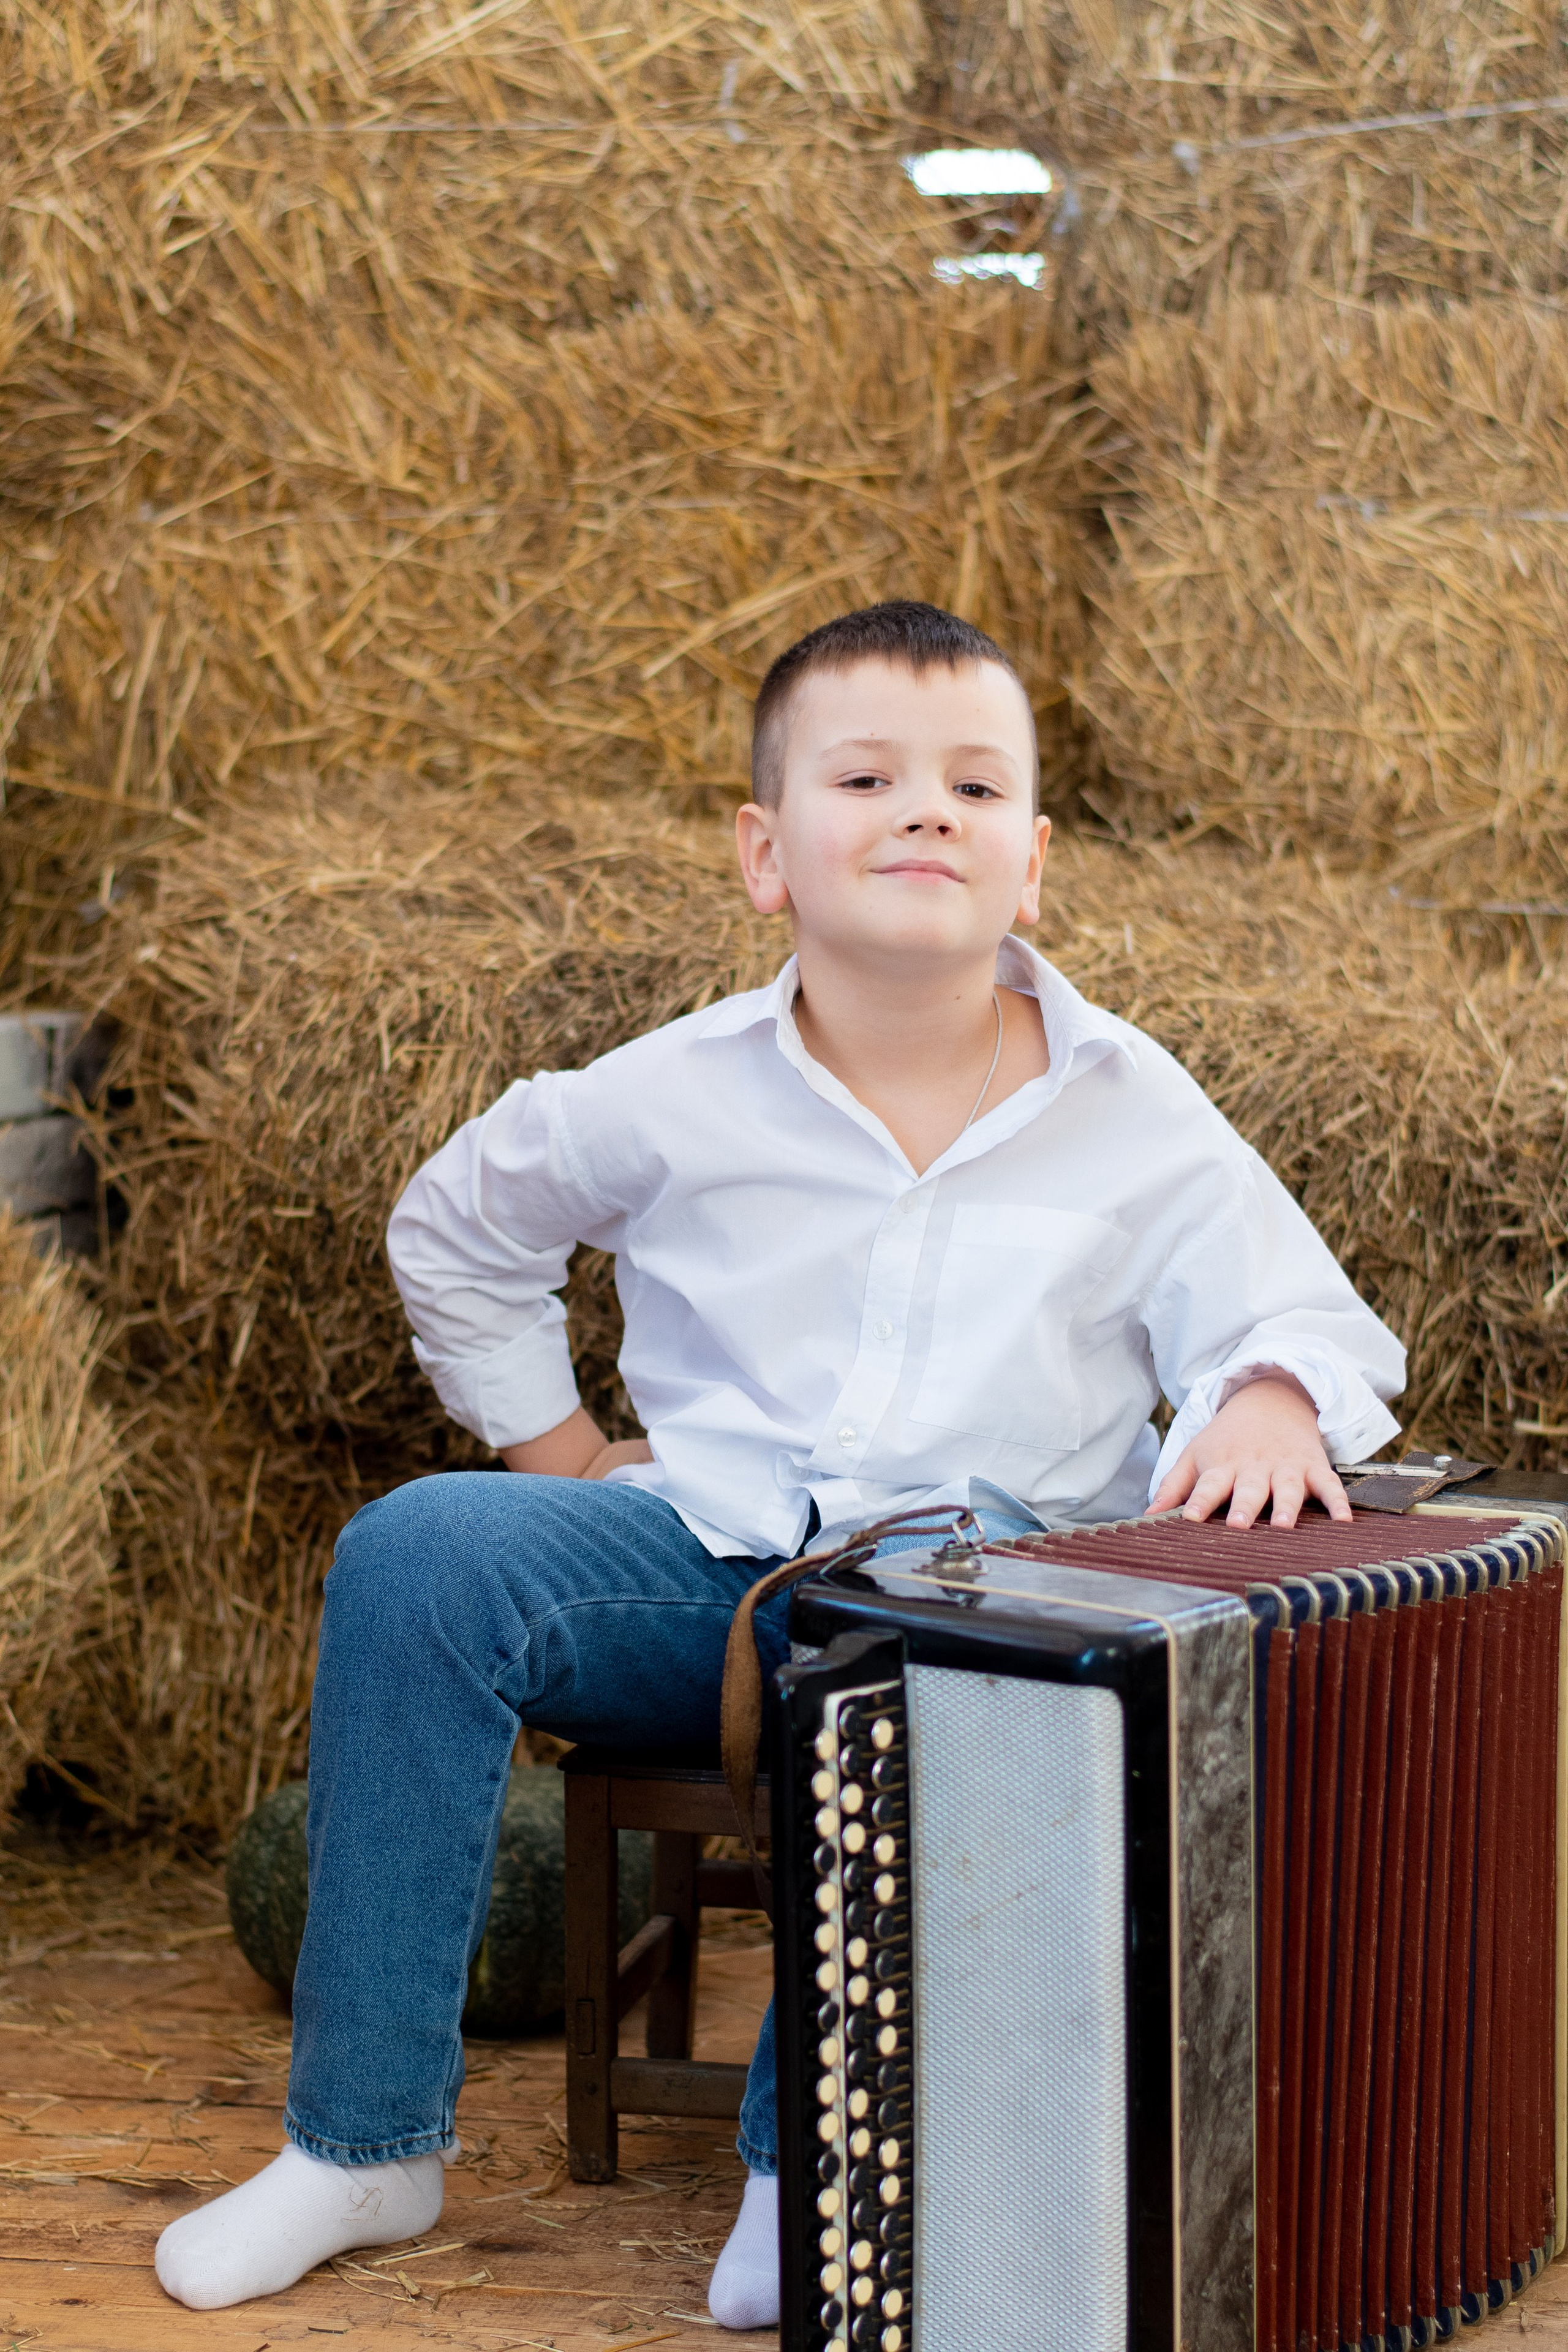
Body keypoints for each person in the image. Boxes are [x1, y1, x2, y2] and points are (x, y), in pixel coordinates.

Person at [154, 601, 1403, 2321]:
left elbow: (1308, 1318)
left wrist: (1265, 1390)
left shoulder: (1135, 1112)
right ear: (767, 854)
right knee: (419, 1554)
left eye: (975, 786)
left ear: (1033, 866)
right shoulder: (677, 1091)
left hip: (975, 1619)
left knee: (916, 1633)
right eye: (867, 778)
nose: (926, 809)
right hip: (707, 1565)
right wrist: (562, 1450)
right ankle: (362, 2143)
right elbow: (457, 1224)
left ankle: (803, 2169)